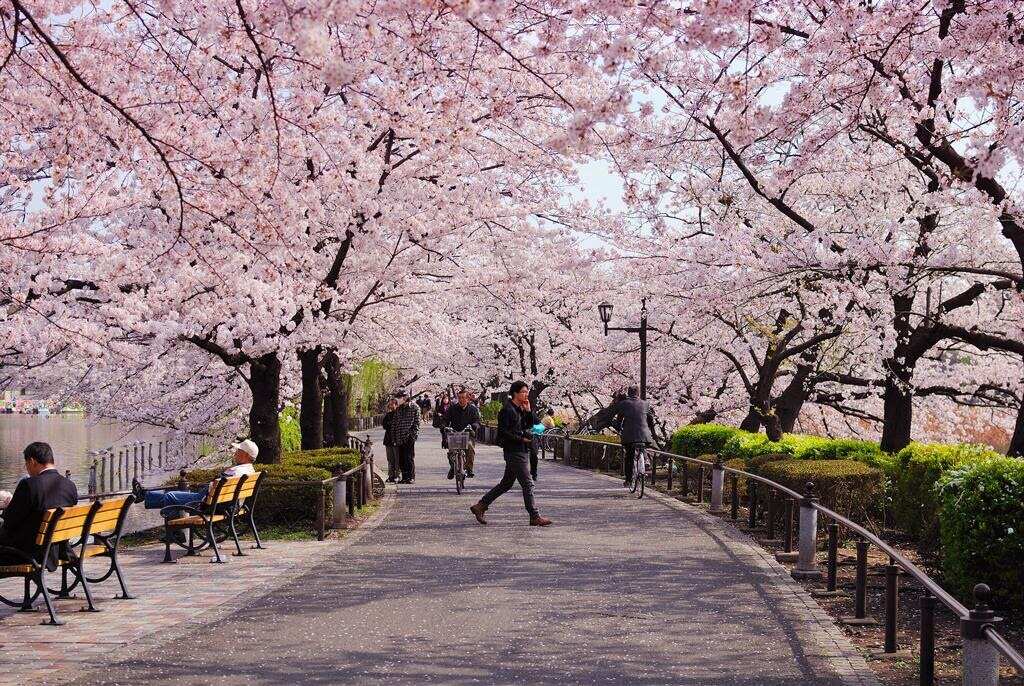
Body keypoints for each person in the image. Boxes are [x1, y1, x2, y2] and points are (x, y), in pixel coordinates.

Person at [470, 381, 552, 527]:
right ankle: (534, 516)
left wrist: (528, 411)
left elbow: (531, 425)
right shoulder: (507, 410)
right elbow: (502, 432)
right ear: (515, 393)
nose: (526, 395)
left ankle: (480, 505)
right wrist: (520, 438)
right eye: (523, 392)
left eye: (527, 392)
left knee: (506, 484)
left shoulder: (521, 409)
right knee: (528, 484)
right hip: (514, 451)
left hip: (522, 449)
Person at [0, 442, 79, 567]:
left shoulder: (29, 485)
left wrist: (9, 506)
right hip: (56, 549)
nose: (26, 468)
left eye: (26, 464)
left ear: (32, 461)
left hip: (27, 553)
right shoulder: (70, 486)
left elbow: (9, 521)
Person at [134, 439, 258, 510]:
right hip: (228, 504)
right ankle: (144, 494)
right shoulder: (249, 471)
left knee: (170, 496)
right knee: (173, 494)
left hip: (210, 504)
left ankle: (176, 531)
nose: (235, 453)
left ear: (245, 455)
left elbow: (216, 486)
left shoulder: (236, 472)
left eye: (238, 451)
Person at [608, 386, 658, 487]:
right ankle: (645, 459)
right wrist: (653, 434)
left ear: (628, 393)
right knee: (643, 446)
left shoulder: (623, 404)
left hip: (629, 435)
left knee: (629, 456)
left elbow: (619, 420)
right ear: (638, 393)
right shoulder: (645, 404)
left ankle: (628, 480)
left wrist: (618, 428)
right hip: (644, 434)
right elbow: (650, 420)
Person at [445, 387, 481, 479]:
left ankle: (469, 469)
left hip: (468, 434)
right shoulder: (452, 409)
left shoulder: (473, 409)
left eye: (463, 398)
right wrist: (444, 427)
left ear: (468, 399)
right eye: (459, 398)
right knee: (451, 452)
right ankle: (453, 467)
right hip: (455, 434)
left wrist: (474, 426)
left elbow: (477, 421)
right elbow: (445, 420)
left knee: (470, 447)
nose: (461, 400)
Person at [391, 390, 420, 484]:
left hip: (409, 436)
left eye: (399, 398)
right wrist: (393, 437)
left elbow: (417, 423)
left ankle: (411, 477)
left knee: (409, 457)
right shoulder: (399, 409)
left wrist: (413, 436)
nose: (397, 400)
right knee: (401, 459)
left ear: (404, 397)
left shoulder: (414, 407)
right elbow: (394, 423)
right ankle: (404, 477)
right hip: (399, 436)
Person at [381, 398, 400, 483]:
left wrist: (391, 425)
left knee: (397, 459)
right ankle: (390, 475)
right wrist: (390, 425)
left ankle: (397, 475)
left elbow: (398, 426)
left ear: (396, 405)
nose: (390, 406)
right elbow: (384, 425)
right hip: (388, 439)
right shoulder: (388, 415)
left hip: (397, 439)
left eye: (392, 404)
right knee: (390, 459)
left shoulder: (399, 414)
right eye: (390, 404)